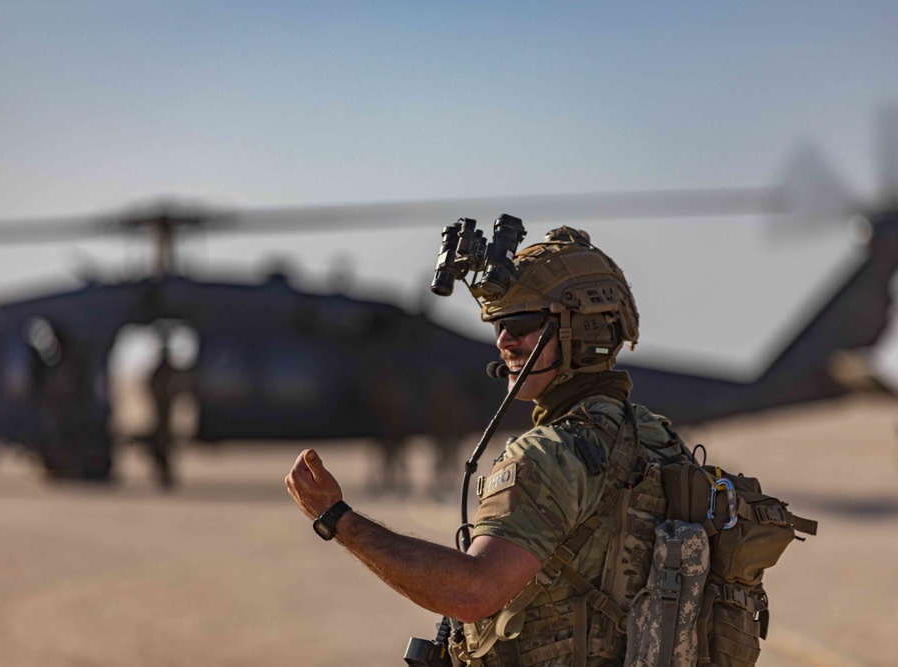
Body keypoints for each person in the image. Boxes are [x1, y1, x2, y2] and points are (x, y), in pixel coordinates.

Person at [285, 226, 693, 666]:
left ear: (584, 327)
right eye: (500, 325)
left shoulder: (549, 454)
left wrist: (336, 519)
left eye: (520, 323)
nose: (503, 341)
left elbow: (473, 591)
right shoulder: (659, 438)